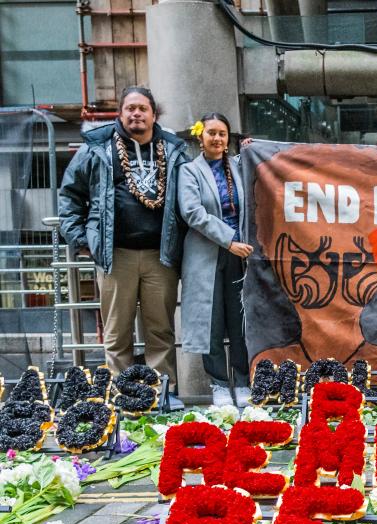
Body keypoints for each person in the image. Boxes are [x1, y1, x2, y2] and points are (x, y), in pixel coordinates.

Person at [59, 86, 188, 409]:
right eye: (129, 108)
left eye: (142, 108)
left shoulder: (174, 150)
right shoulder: (97, 149)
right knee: (117, 333)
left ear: (153, 114)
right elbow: (69, 196)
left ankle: (161, 395)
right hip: (115, 255)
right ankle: (123, 396)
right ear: (120, 113)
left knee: (161, 330)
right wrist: (81, 239)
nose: (136, 114)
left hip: (161, 256)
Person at [177, 113, 253, 407]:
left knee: (239, 319)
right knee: (211, 321)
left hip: (240, 254)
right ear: (201, 137)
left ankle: (244, 380)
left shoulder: (238, 166)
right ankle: (220, 383)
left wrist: (251, 148)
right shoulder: (189, 171)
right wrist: (229, 239)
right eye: (212, 133)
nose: (217, 139)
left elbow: (263, 173)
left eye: (222, 133)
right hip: (206, 254)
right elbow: (192, 212)